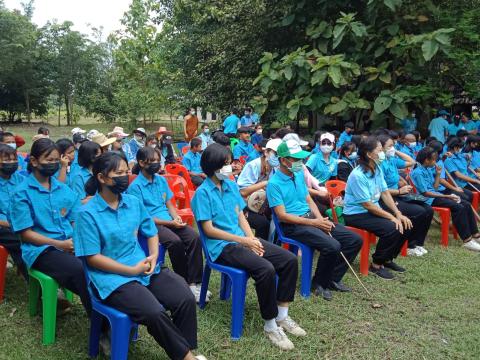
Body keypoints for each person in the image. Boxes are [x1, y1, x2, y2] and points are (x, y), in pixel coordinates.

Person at [75, 152, 205, 360]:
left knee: (184, 297)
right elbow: (92, 258)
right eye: (119, 173)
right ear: (101, 177)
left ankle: (183, 351)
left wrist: (154, 256)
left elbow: (151, 231)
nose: (126, 176)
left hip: (143, 267)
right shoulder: (87, 213)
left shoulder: (133, 202)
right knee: (154, 312)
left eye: (127, 171)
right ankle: (187, 358)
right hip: (111, 279)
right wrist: (130, 270)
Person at [192, 143, 305, 350]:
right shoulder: (202, 193)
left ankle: (282, 316)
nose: (231, 166)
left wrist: (251, 238)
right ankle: (270, 325)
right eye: (226, 163)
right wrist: (245, 242)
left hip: (242, 240)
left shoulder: (231, 186)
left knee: (288, 261)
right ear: (214, 166)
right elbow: (208, 230)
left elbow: (240, 215)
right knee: (265, 269)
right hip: (222, 247)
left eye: (230, 162)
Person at [267, 139, 362, 300]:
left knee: (354, 240)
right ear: (283, 160)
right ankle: (318, 283)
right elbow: (282, 216)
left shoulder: (297, 174)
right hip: (292, 225)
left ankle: (332, 278)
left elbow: (308, 199)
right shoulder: (273, 184)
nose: (299, 162)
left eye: (300, 159)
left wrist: (320, 220)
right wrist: (314, 223)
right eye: (295, 159)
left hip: (311, 219)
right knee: (332, 245)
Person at [9, 138, 91, 314]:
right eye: (48, 160)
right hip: (41, 251)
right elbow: (26, 234)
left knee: (101, 262)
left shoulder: (64, 190)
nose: (53, 164)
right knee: (80, 270)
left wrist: (75, 241)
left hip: (69, 244)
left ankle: (110, 312)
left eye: (56, 160)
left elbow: (76, 220)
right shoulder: (21, 193)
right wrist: (60, 245)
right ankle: (102, 326)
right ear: (34, 161)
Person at [128, 147, 206, 303]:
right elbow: (144, 217)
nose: (157, 164)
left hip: (169, 220)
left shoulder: (160, 180)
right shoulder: (135, 187)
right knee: (175, 242)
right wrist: (169, 223)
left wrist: (176, 218)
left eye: (158, 161)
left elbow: (169, 203)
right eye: (153, 161)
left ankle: (195, 282)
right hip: (152, 224)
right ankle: (184, 282)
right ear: (142, 163)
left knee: (194, 237)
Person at [343, 136, 413, 280]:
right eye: (380, 150)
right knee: (392, 228)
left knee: (406, 223)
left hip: (372, 209)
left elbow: (385, 193)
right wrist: (392, 217)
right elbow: (367, 205)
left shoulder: (377, 168)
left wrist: (397, 213)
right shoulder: (358, 175)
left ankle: (387, 259)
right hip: (356, 214)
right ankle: (376, 265)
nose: (383, 153)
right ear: (369, 154)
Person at [411, 147, 480, 251]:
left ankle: (476, 235)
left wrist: (438, 174)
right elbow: (426, 193)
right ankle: (467, 240)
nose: (435, 162)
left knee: (465, 204)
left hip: (435, 195)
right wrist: (447, 196)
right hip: (427, 199)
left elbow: (434, 188)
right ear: (426, 160)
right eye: (434, 159)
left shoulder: (427, 169)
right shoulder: (418, 172)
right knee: (458, 207)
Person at [378, 135, 433, 256]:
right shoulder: (380, 164)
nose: (393, 148)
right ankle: (409, 245)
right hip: (386, 198)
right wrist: (399, 191)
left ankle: (418, 243)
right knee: (418, 212)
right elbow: (380, 190)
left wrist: (394, 151)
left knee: (428, 209)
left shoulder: (391, 160)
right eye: (390, 146)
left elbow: (412, 162)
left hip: (398, 195)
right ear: (380, 148)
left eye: (394, 145)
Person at [237, 139, 281, 240]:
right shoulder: (253, 165)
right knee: (263, 223)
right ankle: (259, 249)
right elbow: (242, 192)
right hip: (244, 206)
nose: (278, 157)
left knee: (279, 218)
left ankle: (271, 246)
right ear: (266, 152)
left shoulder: (275, 168)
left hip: (262, 205)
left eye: (280, 155)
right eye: (276, 153)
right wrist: (264, 184)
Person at [0, 144, 27, 279]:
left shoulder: (21, 179)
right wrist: (13, 224)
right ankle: (36, 285)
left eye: (14, 159)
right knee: (20, 239)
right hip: (3, 226)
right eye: (6, 159)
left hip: (20, 223)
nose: (12, 163)